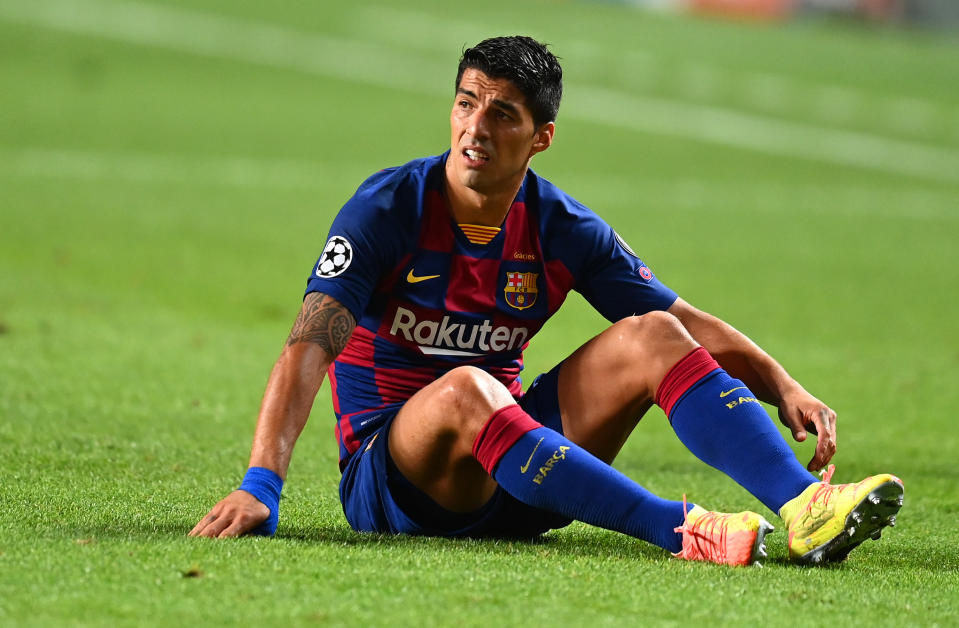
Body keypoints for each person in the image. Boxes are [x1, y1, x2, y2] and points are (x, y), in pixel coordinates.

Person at [190, 36, 903, 566]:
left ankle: (803, 506)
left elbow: (681, 321)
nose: (475, 127)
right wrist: (262, 484)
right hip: (397, 479)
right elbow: (310, 341)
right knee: (465, 385)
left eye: (502, 114)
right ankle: (678, 527)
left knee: (651, 332)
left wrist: (780, 382)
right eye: (466, 103)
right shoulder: (387, 209)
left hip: (521, 471)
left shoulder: (560, 227)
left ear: (541, 138)